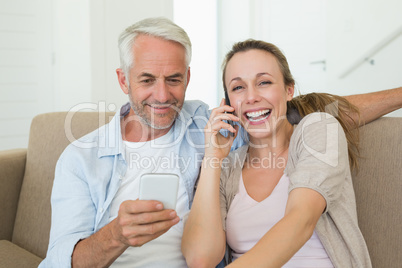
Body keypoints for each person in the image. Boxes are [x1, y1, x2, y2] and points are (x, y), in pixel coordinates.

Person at [39, 17, 401, 267]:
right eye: (147, 79)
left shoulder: (211, 125)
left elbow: (313, 110)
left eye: (174, 79)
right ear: (123, 80)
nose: (162, 95)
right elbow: (60, 261)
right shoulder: (81, 158)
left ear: (189, 77)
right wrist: (115, 235)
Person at [181, 40, 379, 267]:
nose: (251, 97)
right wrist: (213, 159)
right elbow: (201, 258)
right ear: (228, 104)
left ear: (289, 90)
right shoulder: (227, 167)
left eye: (264, 82)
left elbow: (301, 222)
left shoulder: (318, 130)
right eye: (238, 87)